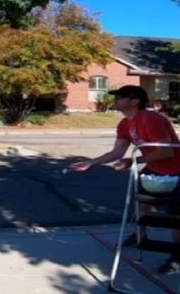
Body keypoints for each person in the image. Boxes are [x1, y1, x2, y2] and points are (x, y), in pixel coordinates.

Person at [69, 85, 180, 275]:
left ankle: (178, 256)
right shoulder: (125, 124)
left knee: (175, 216)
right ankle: (140, 235)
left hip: (176, 170)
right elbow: (117, 152)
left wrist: (133, 160)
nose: (115, 100)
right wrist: (91, 162)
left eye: (120, 97)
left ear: (134, 101)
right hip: (154, 169)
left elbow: (166, 151)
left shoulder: (151, 119)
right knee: (142, 206)